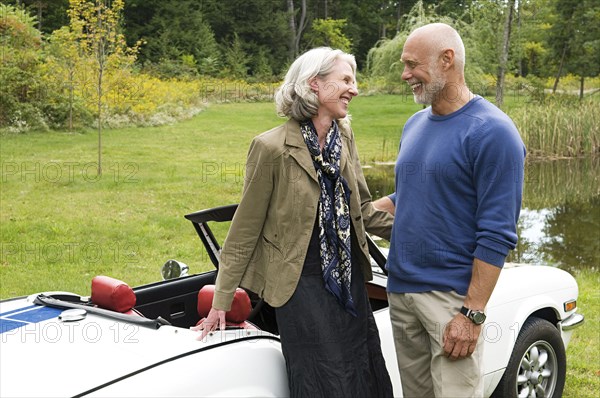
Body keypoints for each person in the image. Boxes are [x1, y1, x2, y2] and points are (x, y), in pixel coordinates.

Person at [192, 47, 395, 398]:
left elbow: (363, 209)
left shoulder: (344, 138)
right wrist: (220, 302)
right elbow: (244, 229)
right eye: (346, 80)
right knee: (323, 382)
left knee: (364, 376)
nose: (355, 89)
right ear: (314, 84)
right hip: (300, 286)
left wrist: (432, 231)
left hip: (349, 282)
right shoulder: (270, 148)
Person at [373, 23, 526, 397]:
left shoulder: (493, 133)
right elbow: (408, 196)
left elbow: (496, 232)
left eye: (412, 64)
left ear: (447, 60)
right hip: (402, 291)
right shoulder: (415, 124)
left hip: (450, 301)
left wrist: (471, 313)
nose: (405, 74)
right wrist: (352, 213)